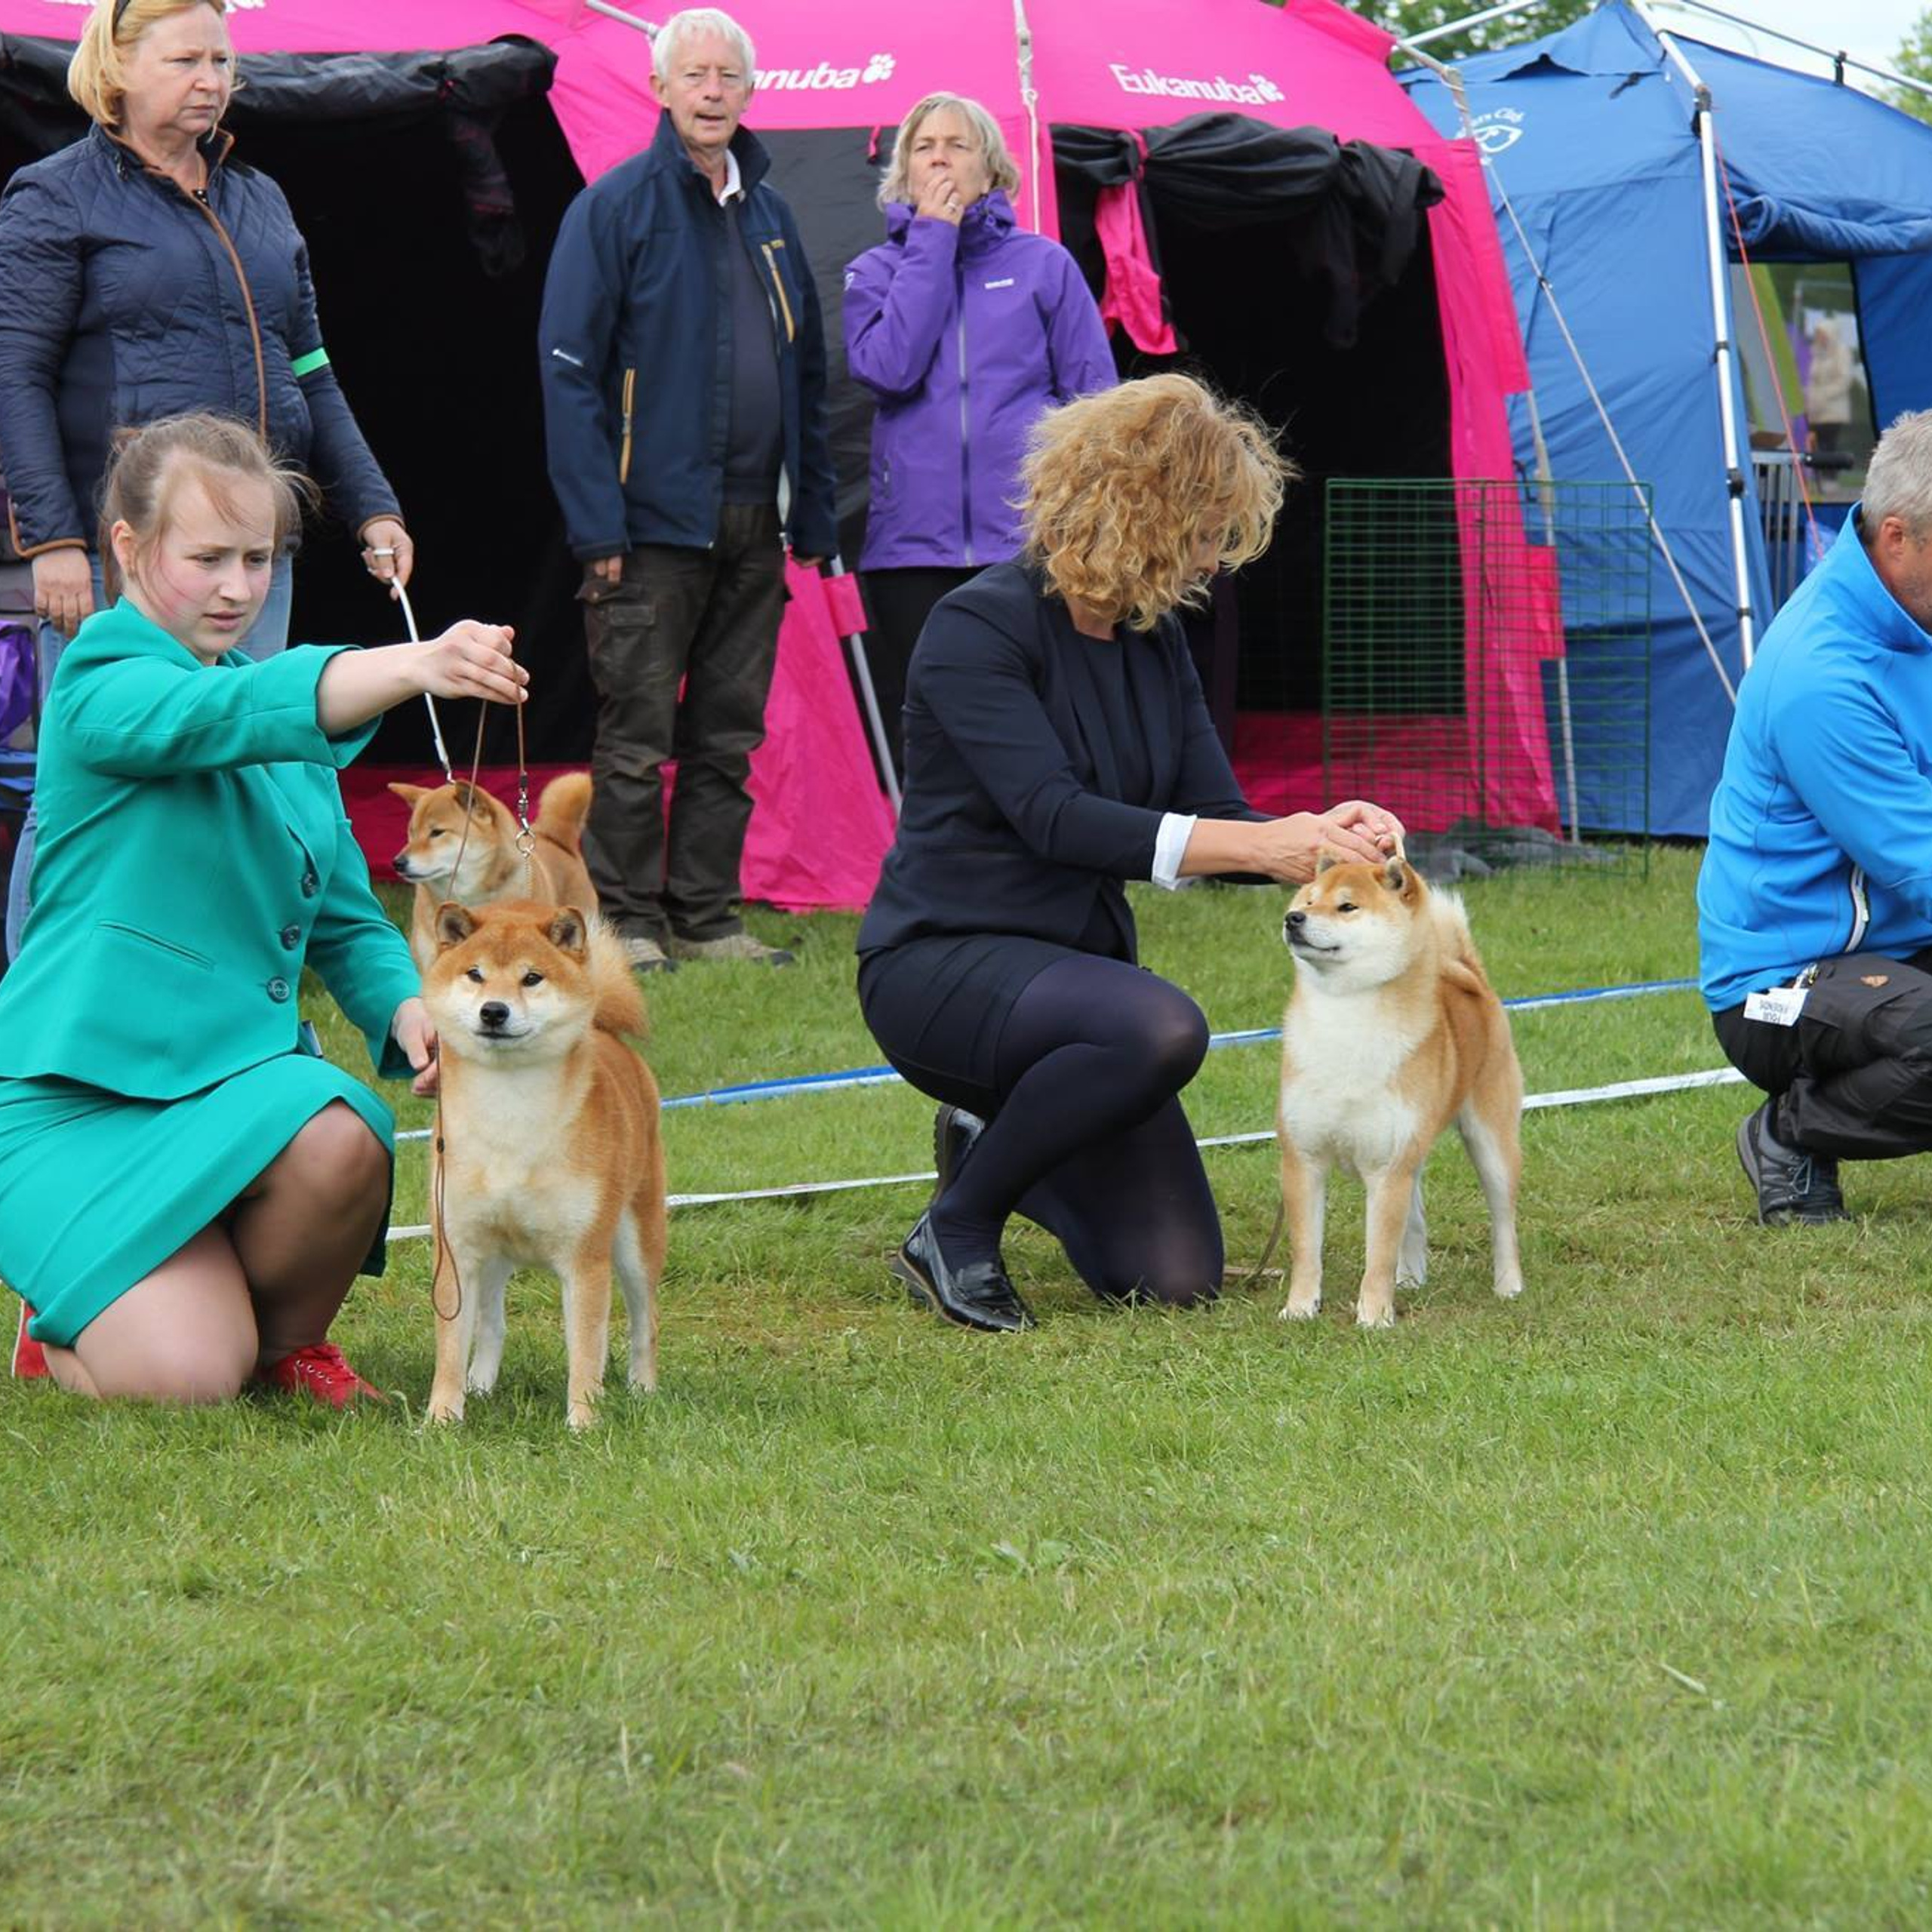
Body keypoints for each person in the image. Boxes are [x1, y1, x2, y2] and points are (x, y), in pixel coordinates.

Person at [855, 374, 1404, 1331]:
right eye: (1203, 533)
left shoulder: (1154, 642)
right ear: (1139, 512)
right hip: (938, 962)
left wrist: (1326, 843)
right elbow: (1053, 817)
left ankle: (994, 1141)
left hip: (1076, 984)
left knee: (1172, 1275)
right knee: (1162, 1028)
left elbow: (1216, 819)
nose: (1211, 561)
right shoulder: (977, 626)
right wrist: (1267, 842)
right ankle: (960, 1223)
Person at [0, 412, 525, 1404]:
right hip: (77, 1097)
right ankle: (61, 1317)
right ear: (128, 547)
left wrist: (407, 1011)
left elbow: (341, 918)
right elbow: (225, 716)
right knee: (188, 1379)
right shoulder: (100, 681)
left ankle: (288, 1344)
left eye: (259, 556)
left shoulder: (287, 709)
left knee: (343, 1133)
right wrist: (413, 665)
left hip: (238, 1086)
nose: (240, 588)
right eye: (208, 558)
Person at [0, 0, 413, 962]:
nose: (211, 77)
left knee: (251, 758)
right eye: (185, 57)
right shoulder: (52, 196)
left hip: (249, 551)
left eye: (222, 59)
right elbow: (13, 373)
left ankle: (231, 968)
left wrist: (374, 503)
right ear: (116, 67)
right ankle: (34, 983)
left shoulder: (260, 198)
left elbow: (313, 368)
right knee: (93, 778)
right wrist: (52, 538)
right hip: (127, 554)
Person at [538, 6, 837, 975]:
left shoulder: (774, 217)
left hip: (758, 519)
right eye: (695, 75)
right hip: (647, 523)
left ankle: (706, 919)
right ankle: (629, 919)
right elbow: (568, 371)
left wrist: (817, 512)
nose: (713, 91)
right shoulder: (615, 207)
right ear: (659, 89)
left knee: (727, 731)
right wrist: (596, 525)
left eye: (729, 77)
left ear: (749, 94)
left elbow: (809, 375)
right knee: (635, 734)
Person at [1700, 407, 1932, 1227]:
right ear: (1897, 537)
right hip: (1777, 987)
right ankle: (1787, 1134)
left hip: (1896, 950)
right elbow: (1924, 862)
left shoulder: (1918, 616)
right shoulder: (1821, 676)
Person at [845, 93, 1115, 780]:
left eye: (958, 145)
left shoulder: (1044, 266)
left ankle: (1036, 876)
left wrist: (1082, 526)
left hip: (1026, 541)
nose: (939, 156)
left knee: (1037, 719)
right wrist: (932, 240)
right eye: (924, 146)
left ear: (992, 170)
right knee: (930, 724)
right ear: (903, 173)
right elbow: (888, 368)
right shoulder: (876, 272)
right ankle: (938, 878)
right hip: (913, 548)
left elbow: (1096, 409)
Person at [1804, 320, 1856, 459]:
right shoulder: (1816, 353)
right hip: (1816, 410)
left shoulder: (1841, 352)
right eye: (1818, 334)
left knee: (1828, 447)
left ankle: (1829, 478)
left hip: (1833, 410)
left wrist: (1825, 394)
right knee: (1815, 447)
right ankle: (1819, 477)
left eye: (1822, 334)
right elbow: (1813, 379)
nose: (1819, 337)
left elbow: (1844, 380)